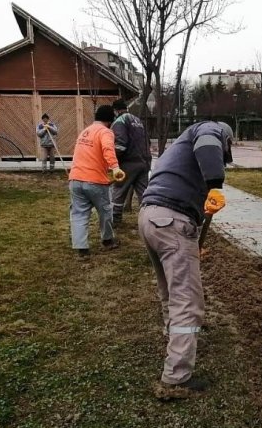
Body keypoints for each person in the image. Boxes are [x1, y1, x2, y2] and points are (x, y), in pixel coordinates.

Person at [139, 121, 233, 399]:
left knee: (169, 291)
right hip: (172, 221)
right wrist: (216, 184)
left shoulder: (179, 146)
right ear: (226, 138)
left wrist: (191, 242)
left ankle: (174, 341)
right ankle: (177, 376)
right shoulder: (207, 129)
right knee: (187, 301)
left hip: (151, 218)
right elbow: (209, 143)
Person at [68, 104, 125, 259]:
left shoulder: (85, 132)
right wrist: (115, 168)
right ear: (110, 120)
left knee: (79, 214)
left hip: (75, 179)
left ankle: (82, 249)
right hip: (95, 181)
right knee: (105, 211)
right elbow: (108, 149)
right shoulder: (105, 132)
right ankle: (107, 241)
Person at [110, 99, 151, 226]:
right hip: (144, 161)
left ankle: (116, 220)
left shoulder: (120, 122)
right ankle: (147, 220)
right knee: (143, 193)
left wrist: (114, 163)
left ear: (115, 110)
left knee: (119, 189)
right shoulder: (138, 121)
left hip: (128, 163)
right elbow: (147, 141)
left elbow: (120, 145)